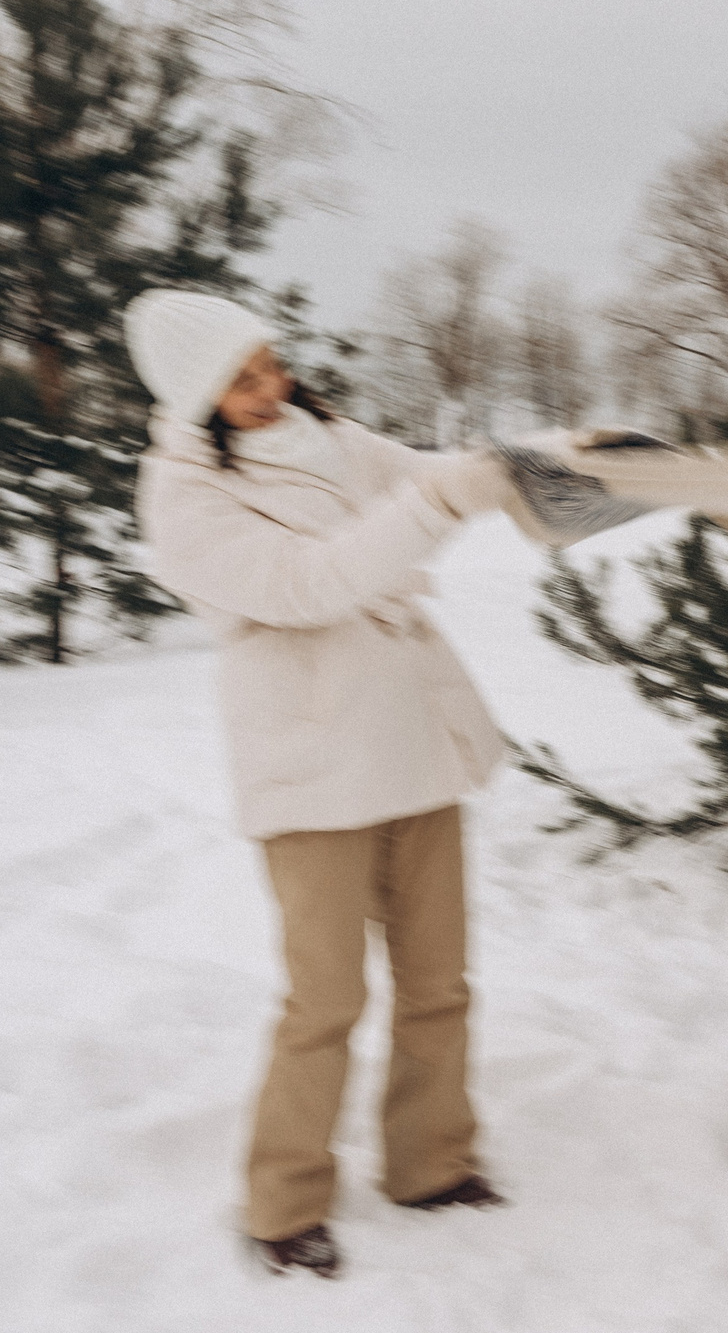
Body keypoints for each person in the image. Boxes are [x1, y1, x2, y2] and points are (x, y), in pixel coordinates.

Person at [129, 289, 517, 1278]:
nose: (272, 387)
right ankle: (283, 1199)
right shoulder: (184, 496)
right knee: (326, 997)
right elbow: (307, 585)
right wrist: (437, 502)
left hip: (410, 736)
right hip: (309, 763)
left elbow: (431, 475)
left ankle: (432, 1162)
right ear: (196, 396)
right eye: (243, 379)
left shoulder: (324, 431)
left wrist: (546, 463)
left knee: (439, 980)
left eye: (271, 362)